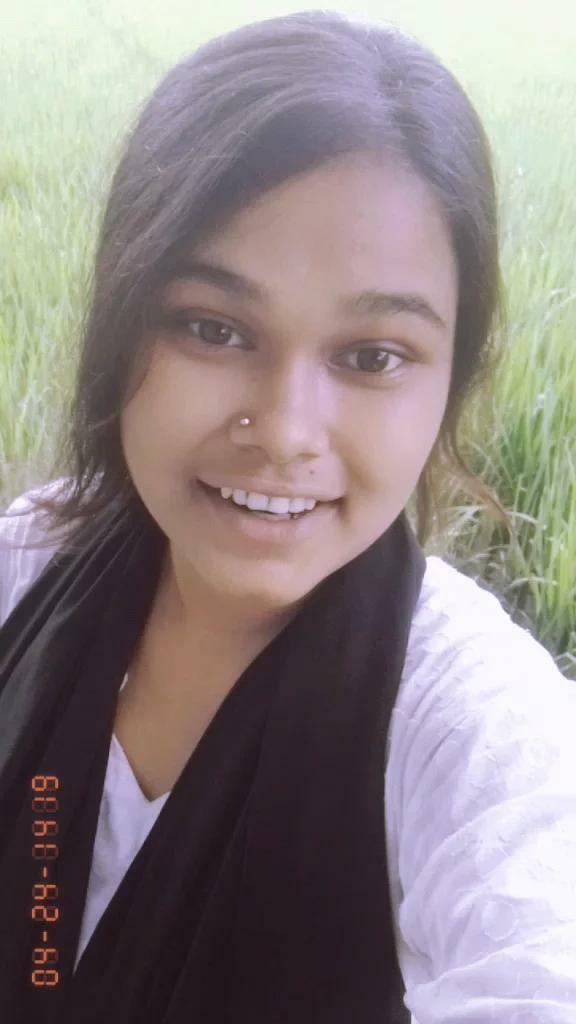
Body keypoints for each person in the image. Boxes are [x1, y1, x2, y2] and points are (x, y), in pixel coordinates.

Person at [0, 9, 575, 1024]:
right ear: (120, 322)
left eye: (372, 356)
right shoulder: (30, 560)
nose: (285, 431)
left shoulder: (470, 731)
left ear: (449, 381)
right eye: (213, 328)